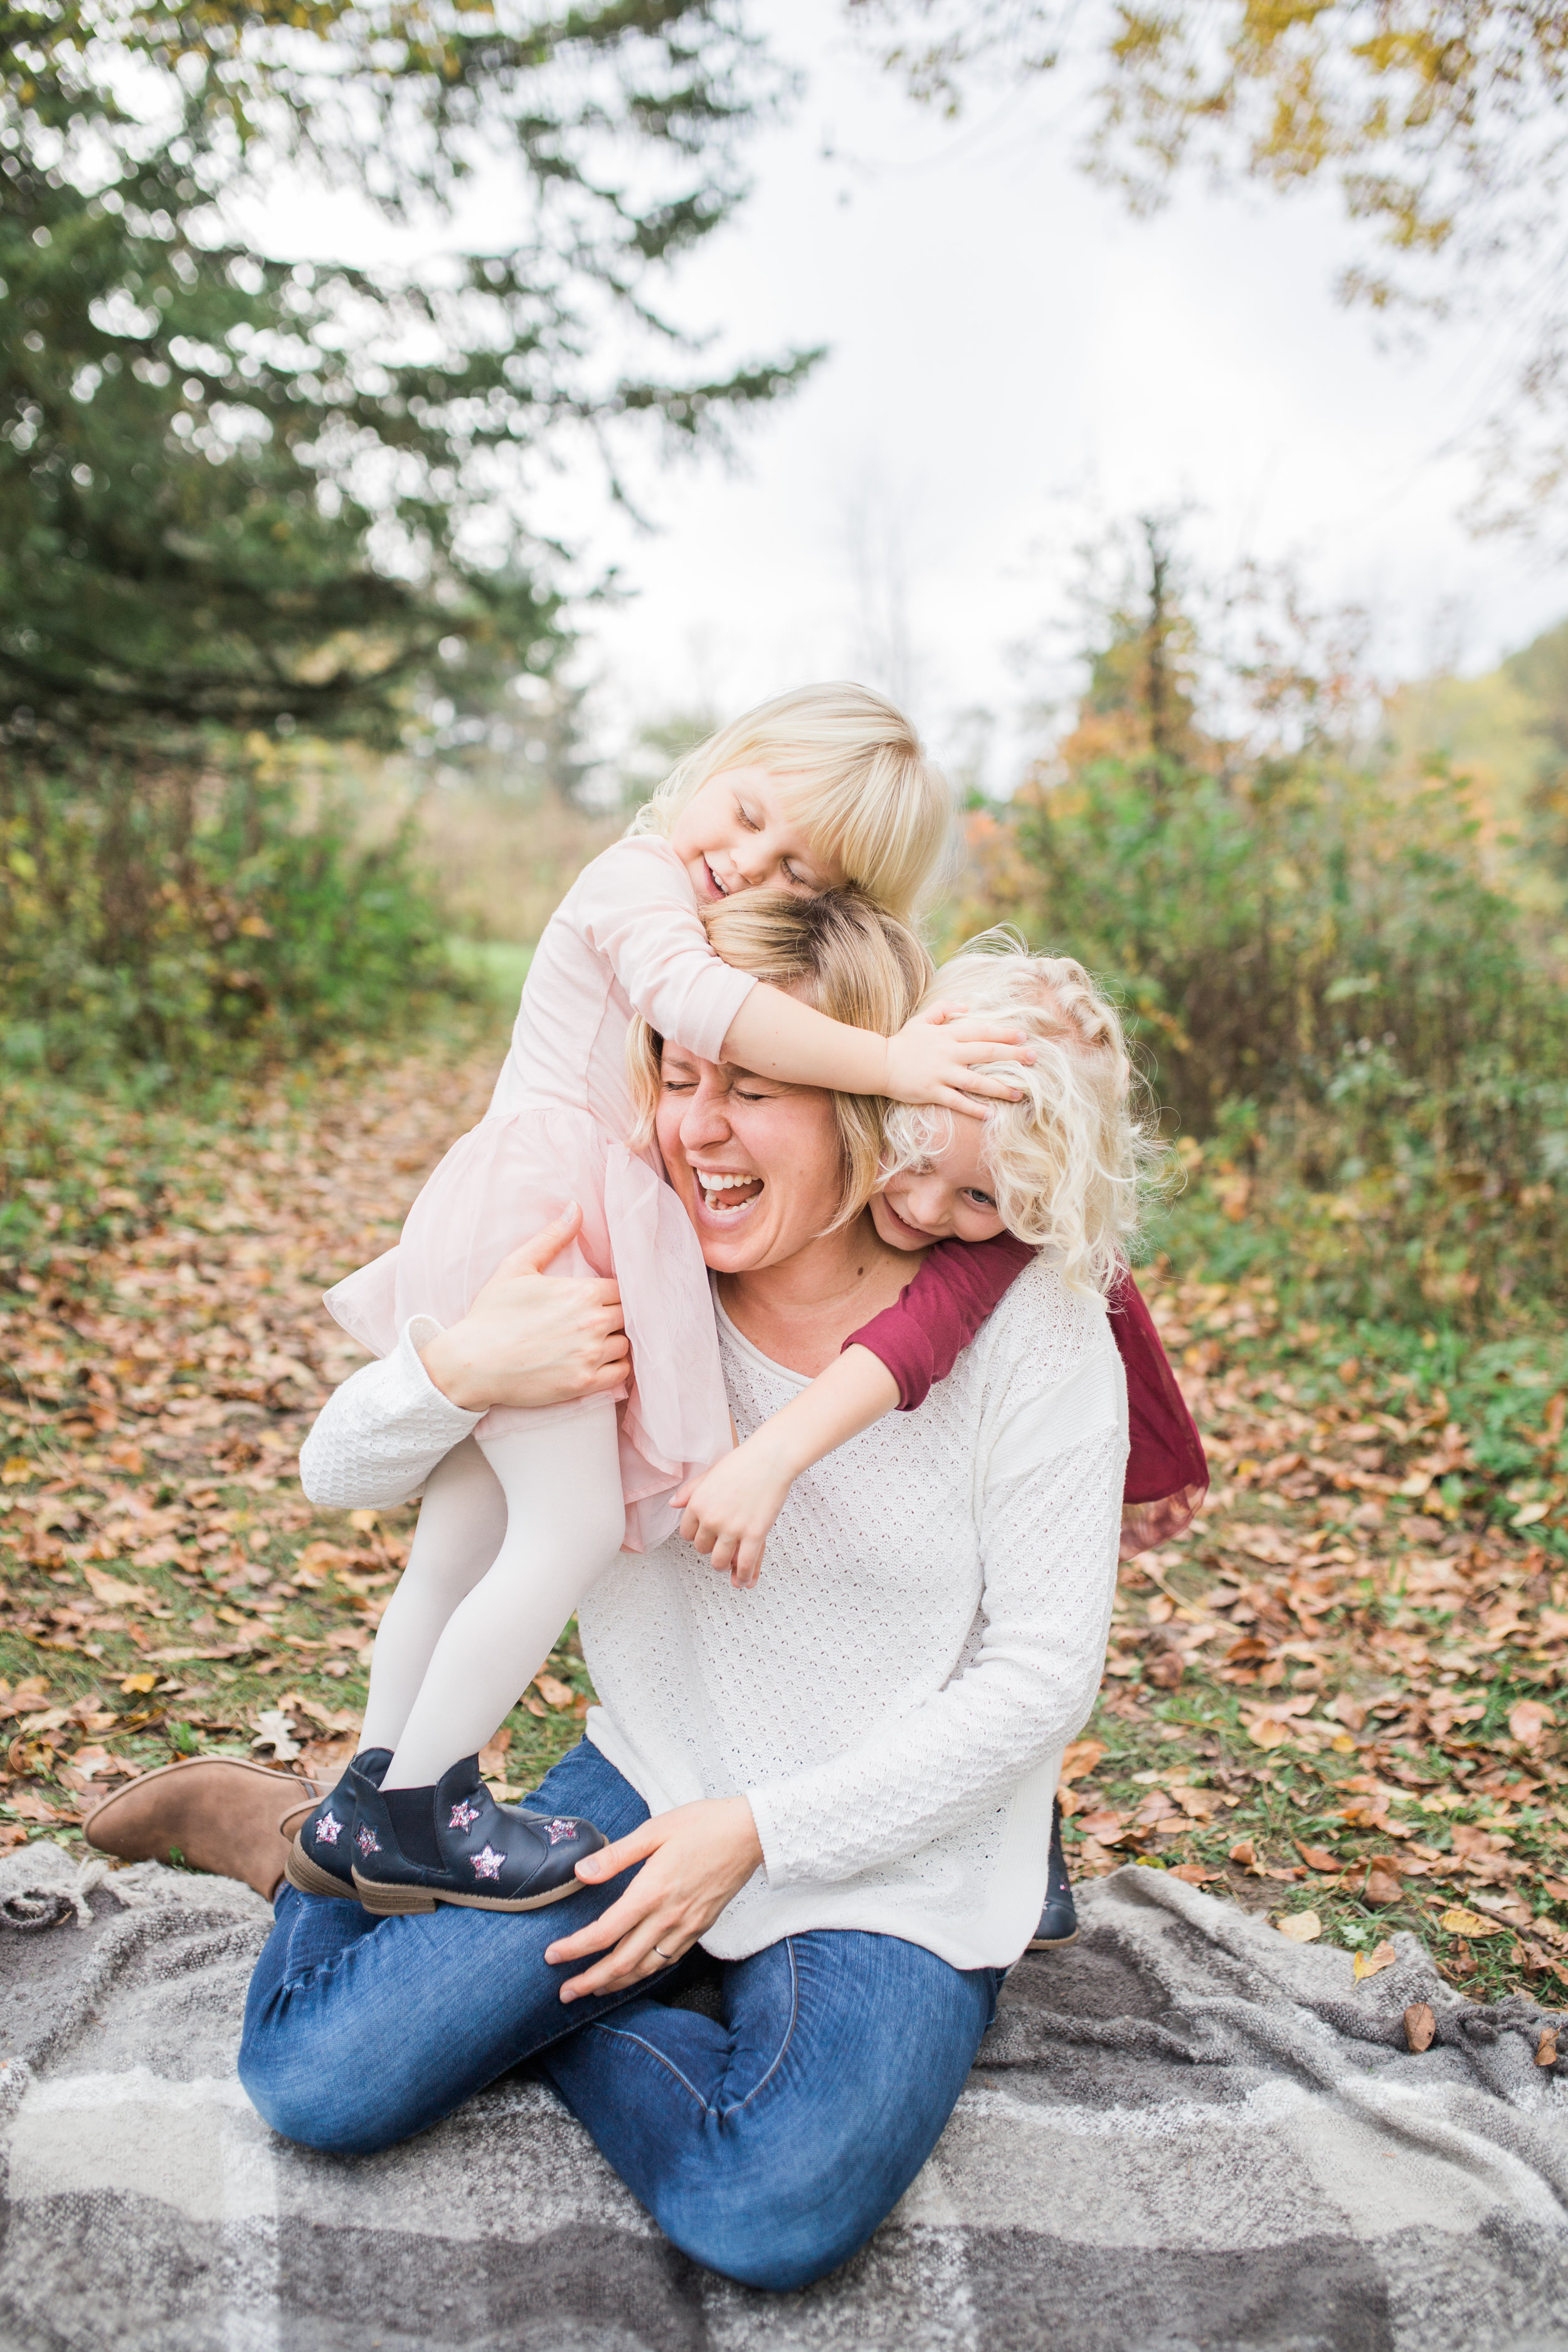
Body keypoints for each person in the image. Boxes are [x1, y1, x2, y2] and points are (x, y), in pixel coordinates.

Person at [234, 889, 1130, 2292]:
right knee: (318, 2081)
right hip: (650, 1774)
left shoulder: (1032, 1319)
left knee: (768, 2206)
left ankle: (609, 1985)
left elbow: (1039, 1679)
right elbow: (334, 1470)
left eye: (753, 1087)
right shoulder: (624, 1273)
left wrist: (762, 1838)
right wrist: (462, 1369)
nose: (690, 1129)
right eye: (675, 1072)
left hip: (892, 1843)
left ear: (861, 1093)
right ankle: (311, 1844)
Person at [291, 683, 1038, 1915]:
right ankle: (419, 1805)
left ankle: (367, 1792)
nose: (740, 863)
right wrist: (895, 1060)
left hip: (532, 1211)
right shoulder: (634, 879)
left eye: (792, 871)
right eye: (745, 814)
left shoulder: (694, 915)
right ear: (716, 764)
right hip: (542, 1218)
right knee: (569, 1525)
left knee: (463, 1539)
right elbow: (697, 1003)